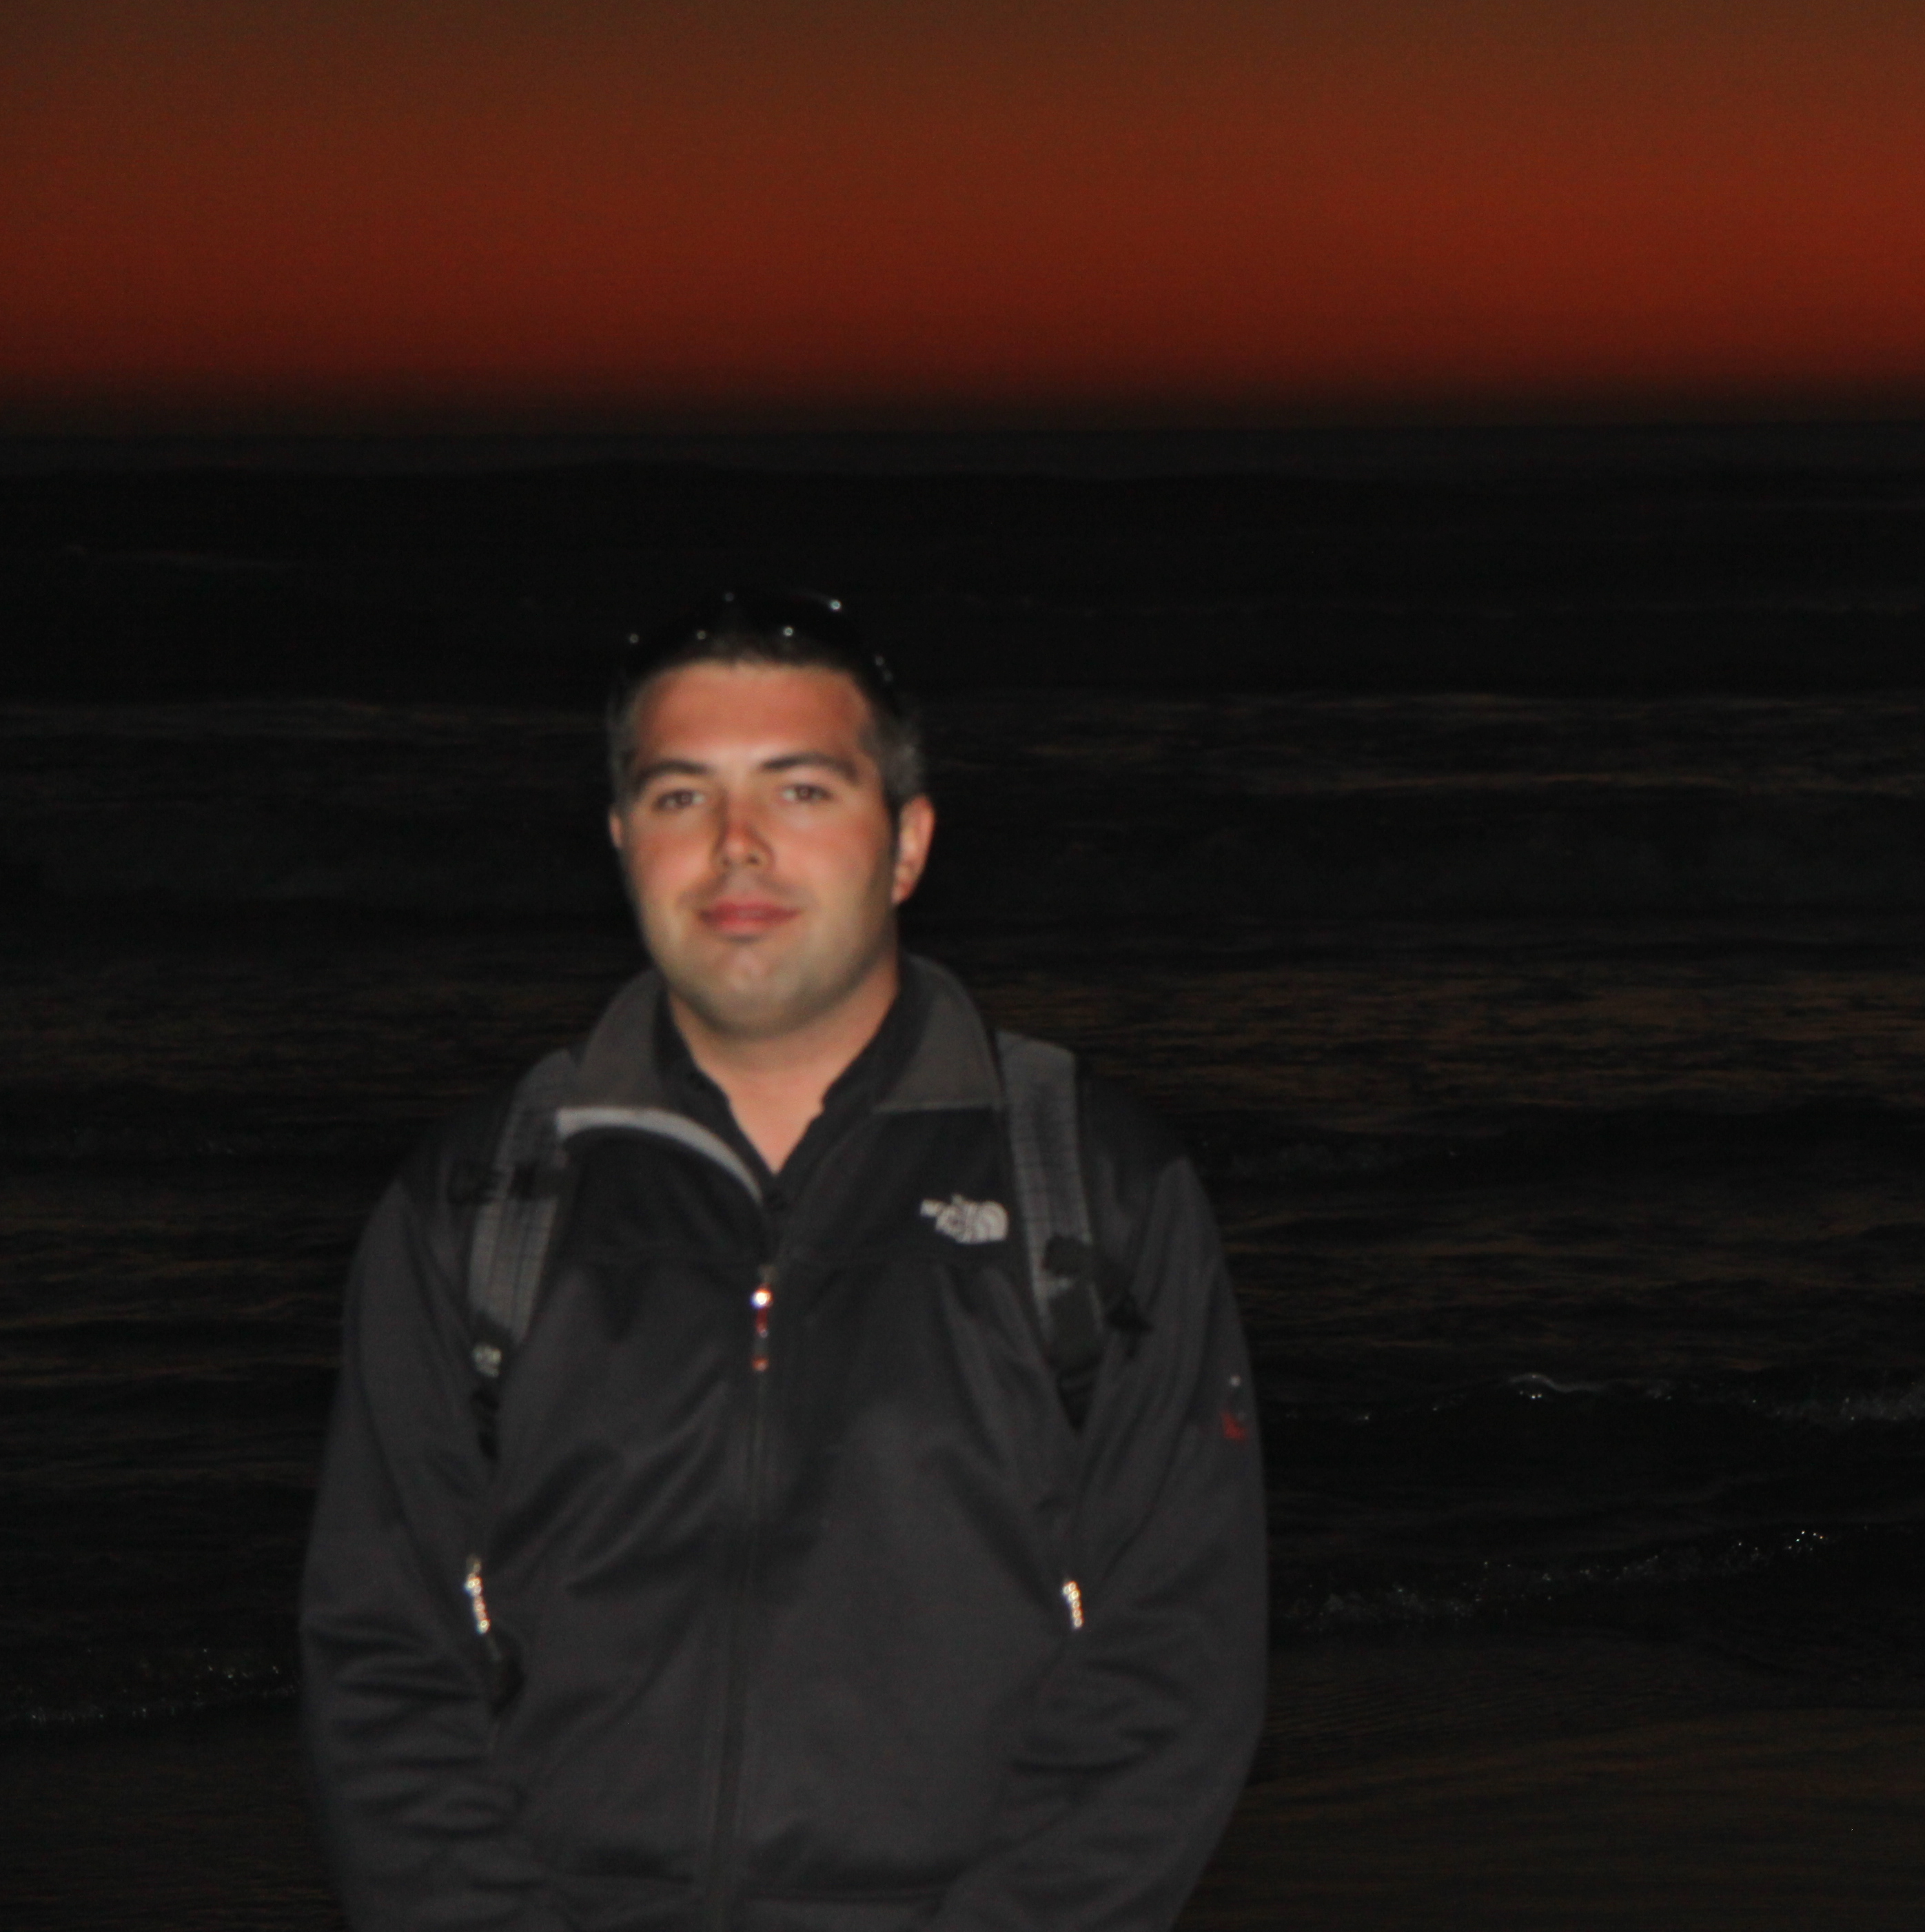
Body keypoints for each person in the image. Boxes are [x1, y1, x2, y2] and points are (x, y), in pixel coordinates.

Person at [301, 592, 1264, 1932]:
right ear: (621, 839)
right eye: (681, 796)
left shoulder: (1092, 1188)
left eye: (801, 789)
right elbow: (381, 1659)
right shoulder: (482, 1201)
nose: (736, 845)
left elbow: (1175, 1665)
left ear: (907, 843)